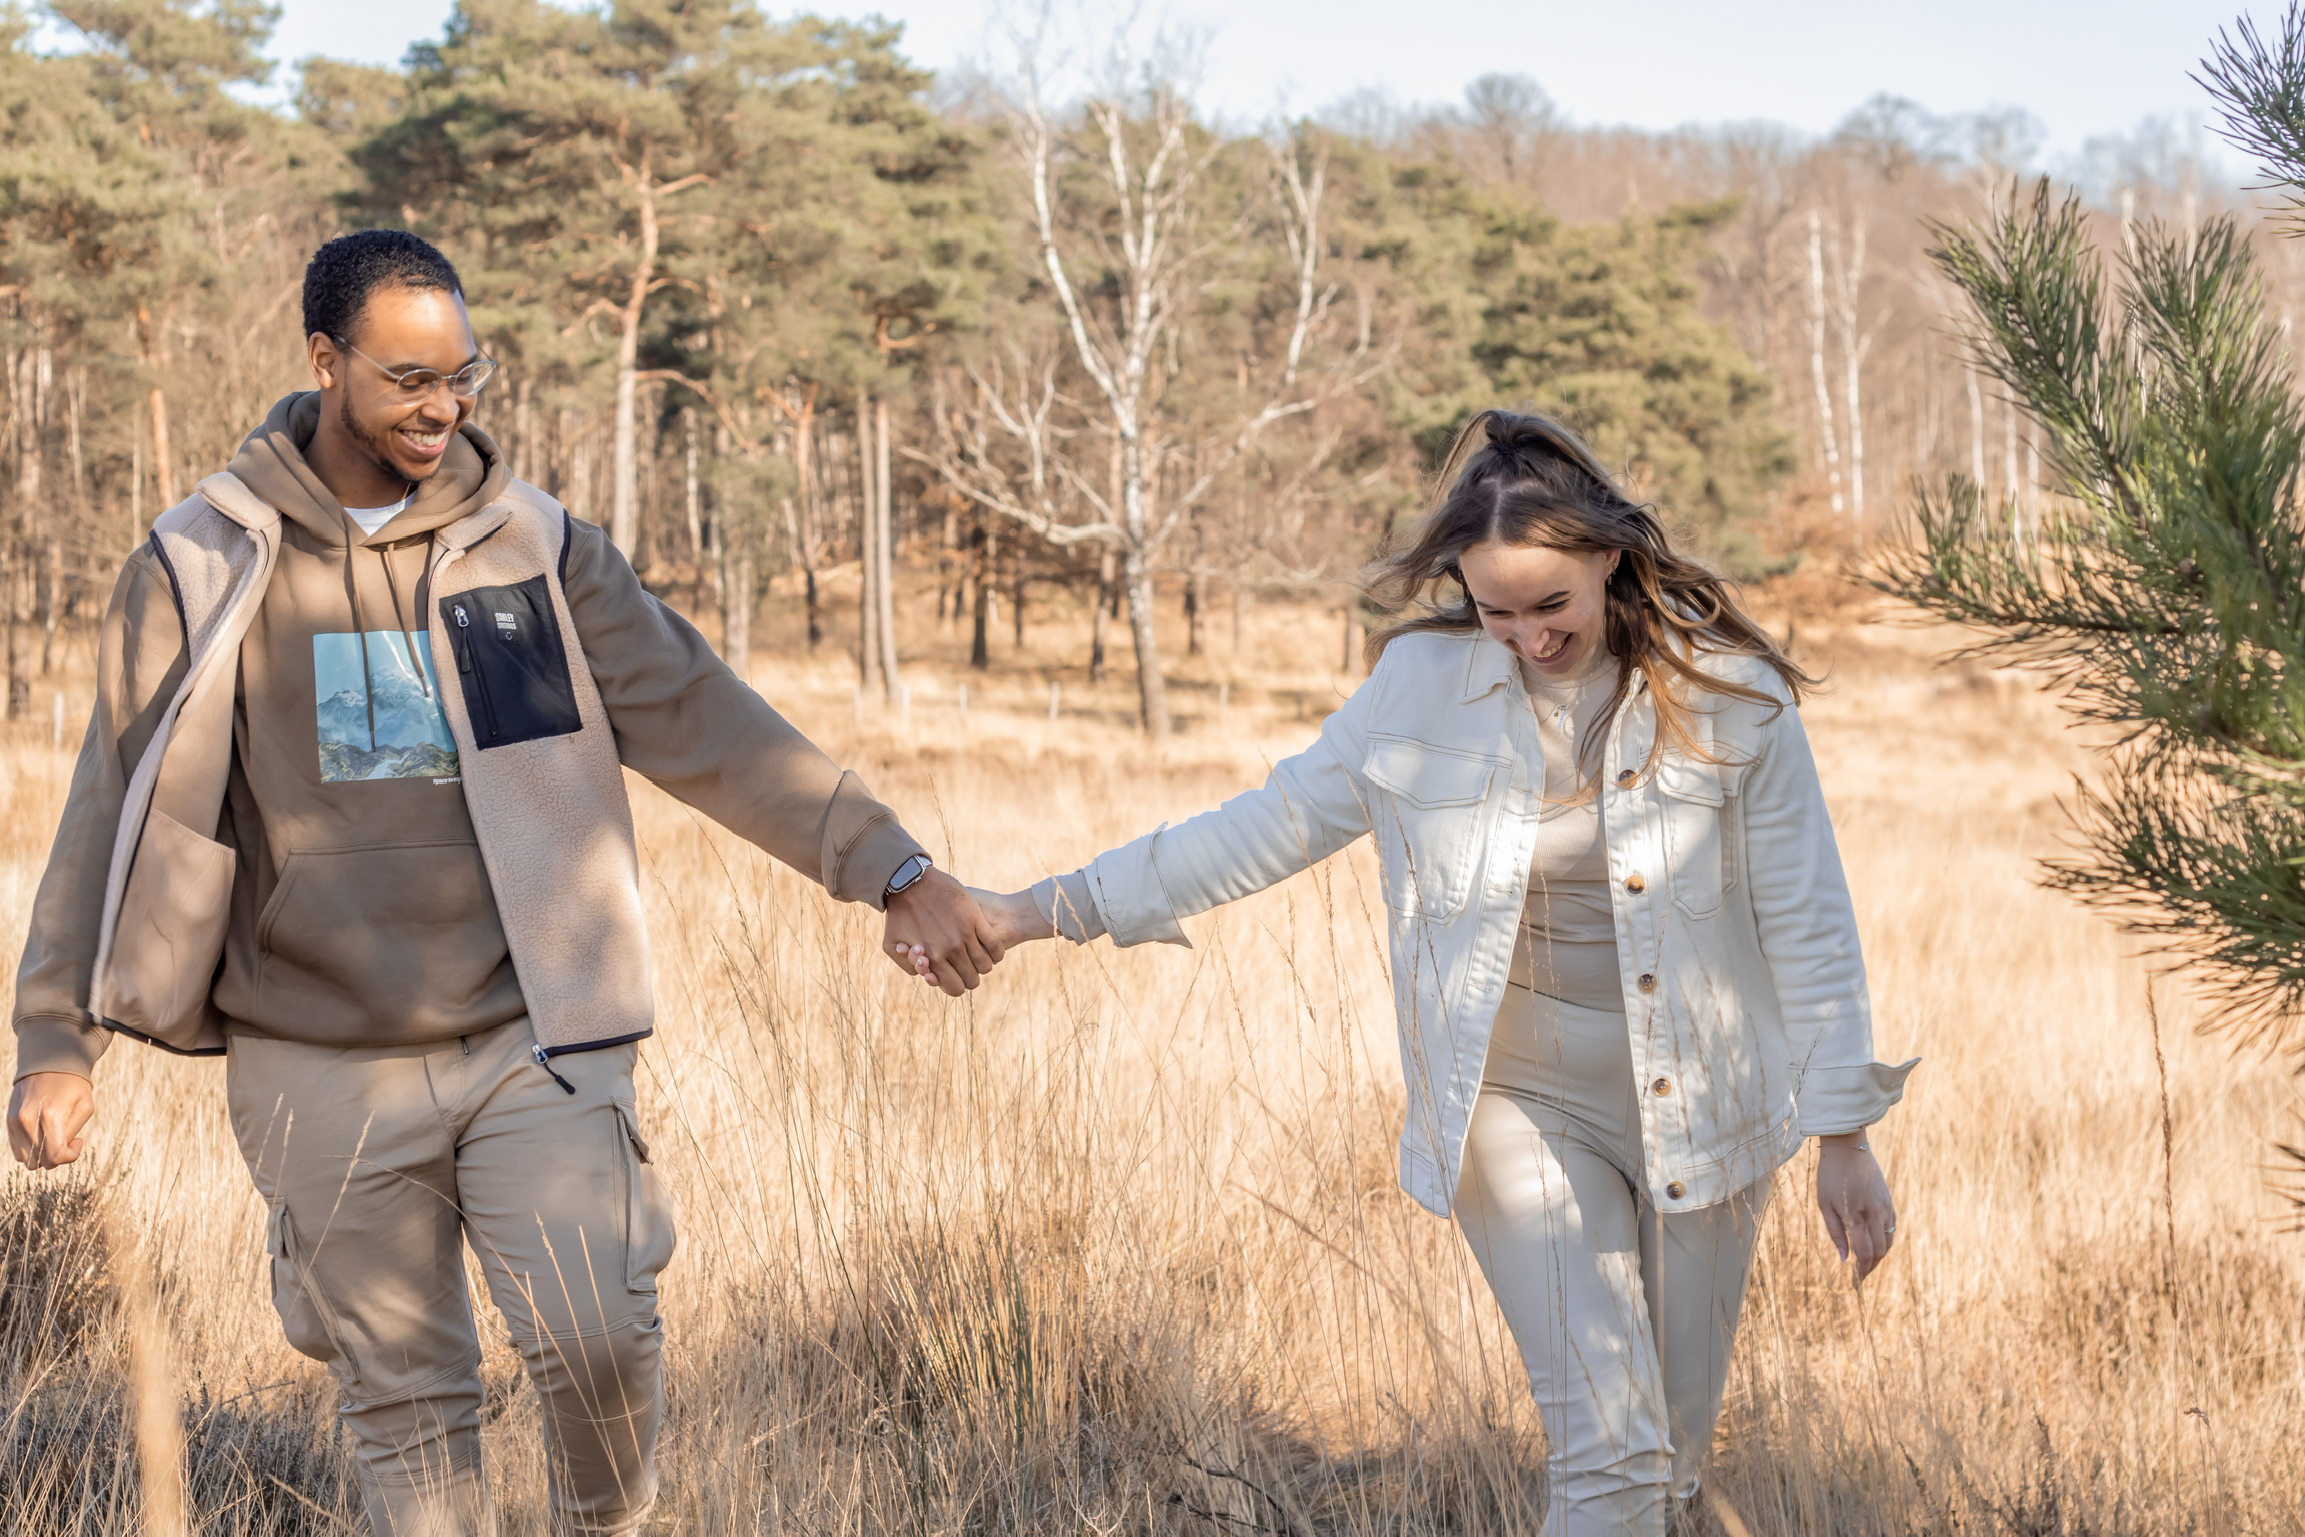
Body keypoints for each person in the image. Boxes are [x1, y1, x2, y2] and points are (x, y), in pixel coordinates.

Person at [7, 229, 1003, 1536]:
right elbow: (107, 803)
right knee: (407, 1410)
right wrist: (50, 1035)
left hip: (529, 1028)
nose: (445, 405)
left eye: (463, 374)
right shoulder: (202, 559)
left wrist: (891, 865)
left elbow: (701, 712)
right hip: (311, 1055)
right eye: (410, 378)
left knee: (597, 1336)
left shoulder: (529, 548)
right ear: (324, 361)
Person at [951, 411, 1917, 1535]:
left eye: (1550, 605)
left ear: (1608, 556)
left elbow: (1808, 919)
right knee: (1609, 1454)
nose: (1526, 637)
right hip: (1515, 1101)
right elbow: (1257, 829)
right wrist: (1034, 910)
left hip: (1707, 1110)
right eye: (1495, 610)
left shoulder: (1730, 696)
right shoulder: (1420, 687)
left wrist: (1843, 1132)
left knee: (1669, 1473)